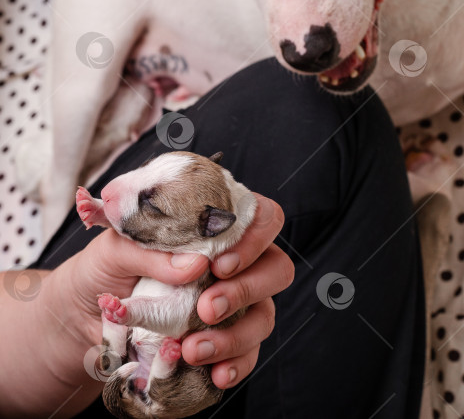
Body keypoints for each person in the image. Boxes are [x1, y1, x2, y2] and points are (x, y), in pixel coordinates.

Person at [0, 58, 425, 418]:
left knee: (321, 102)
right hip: (156, 385)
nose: (114, 188)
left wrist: (67, 314)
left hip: (59, 363)